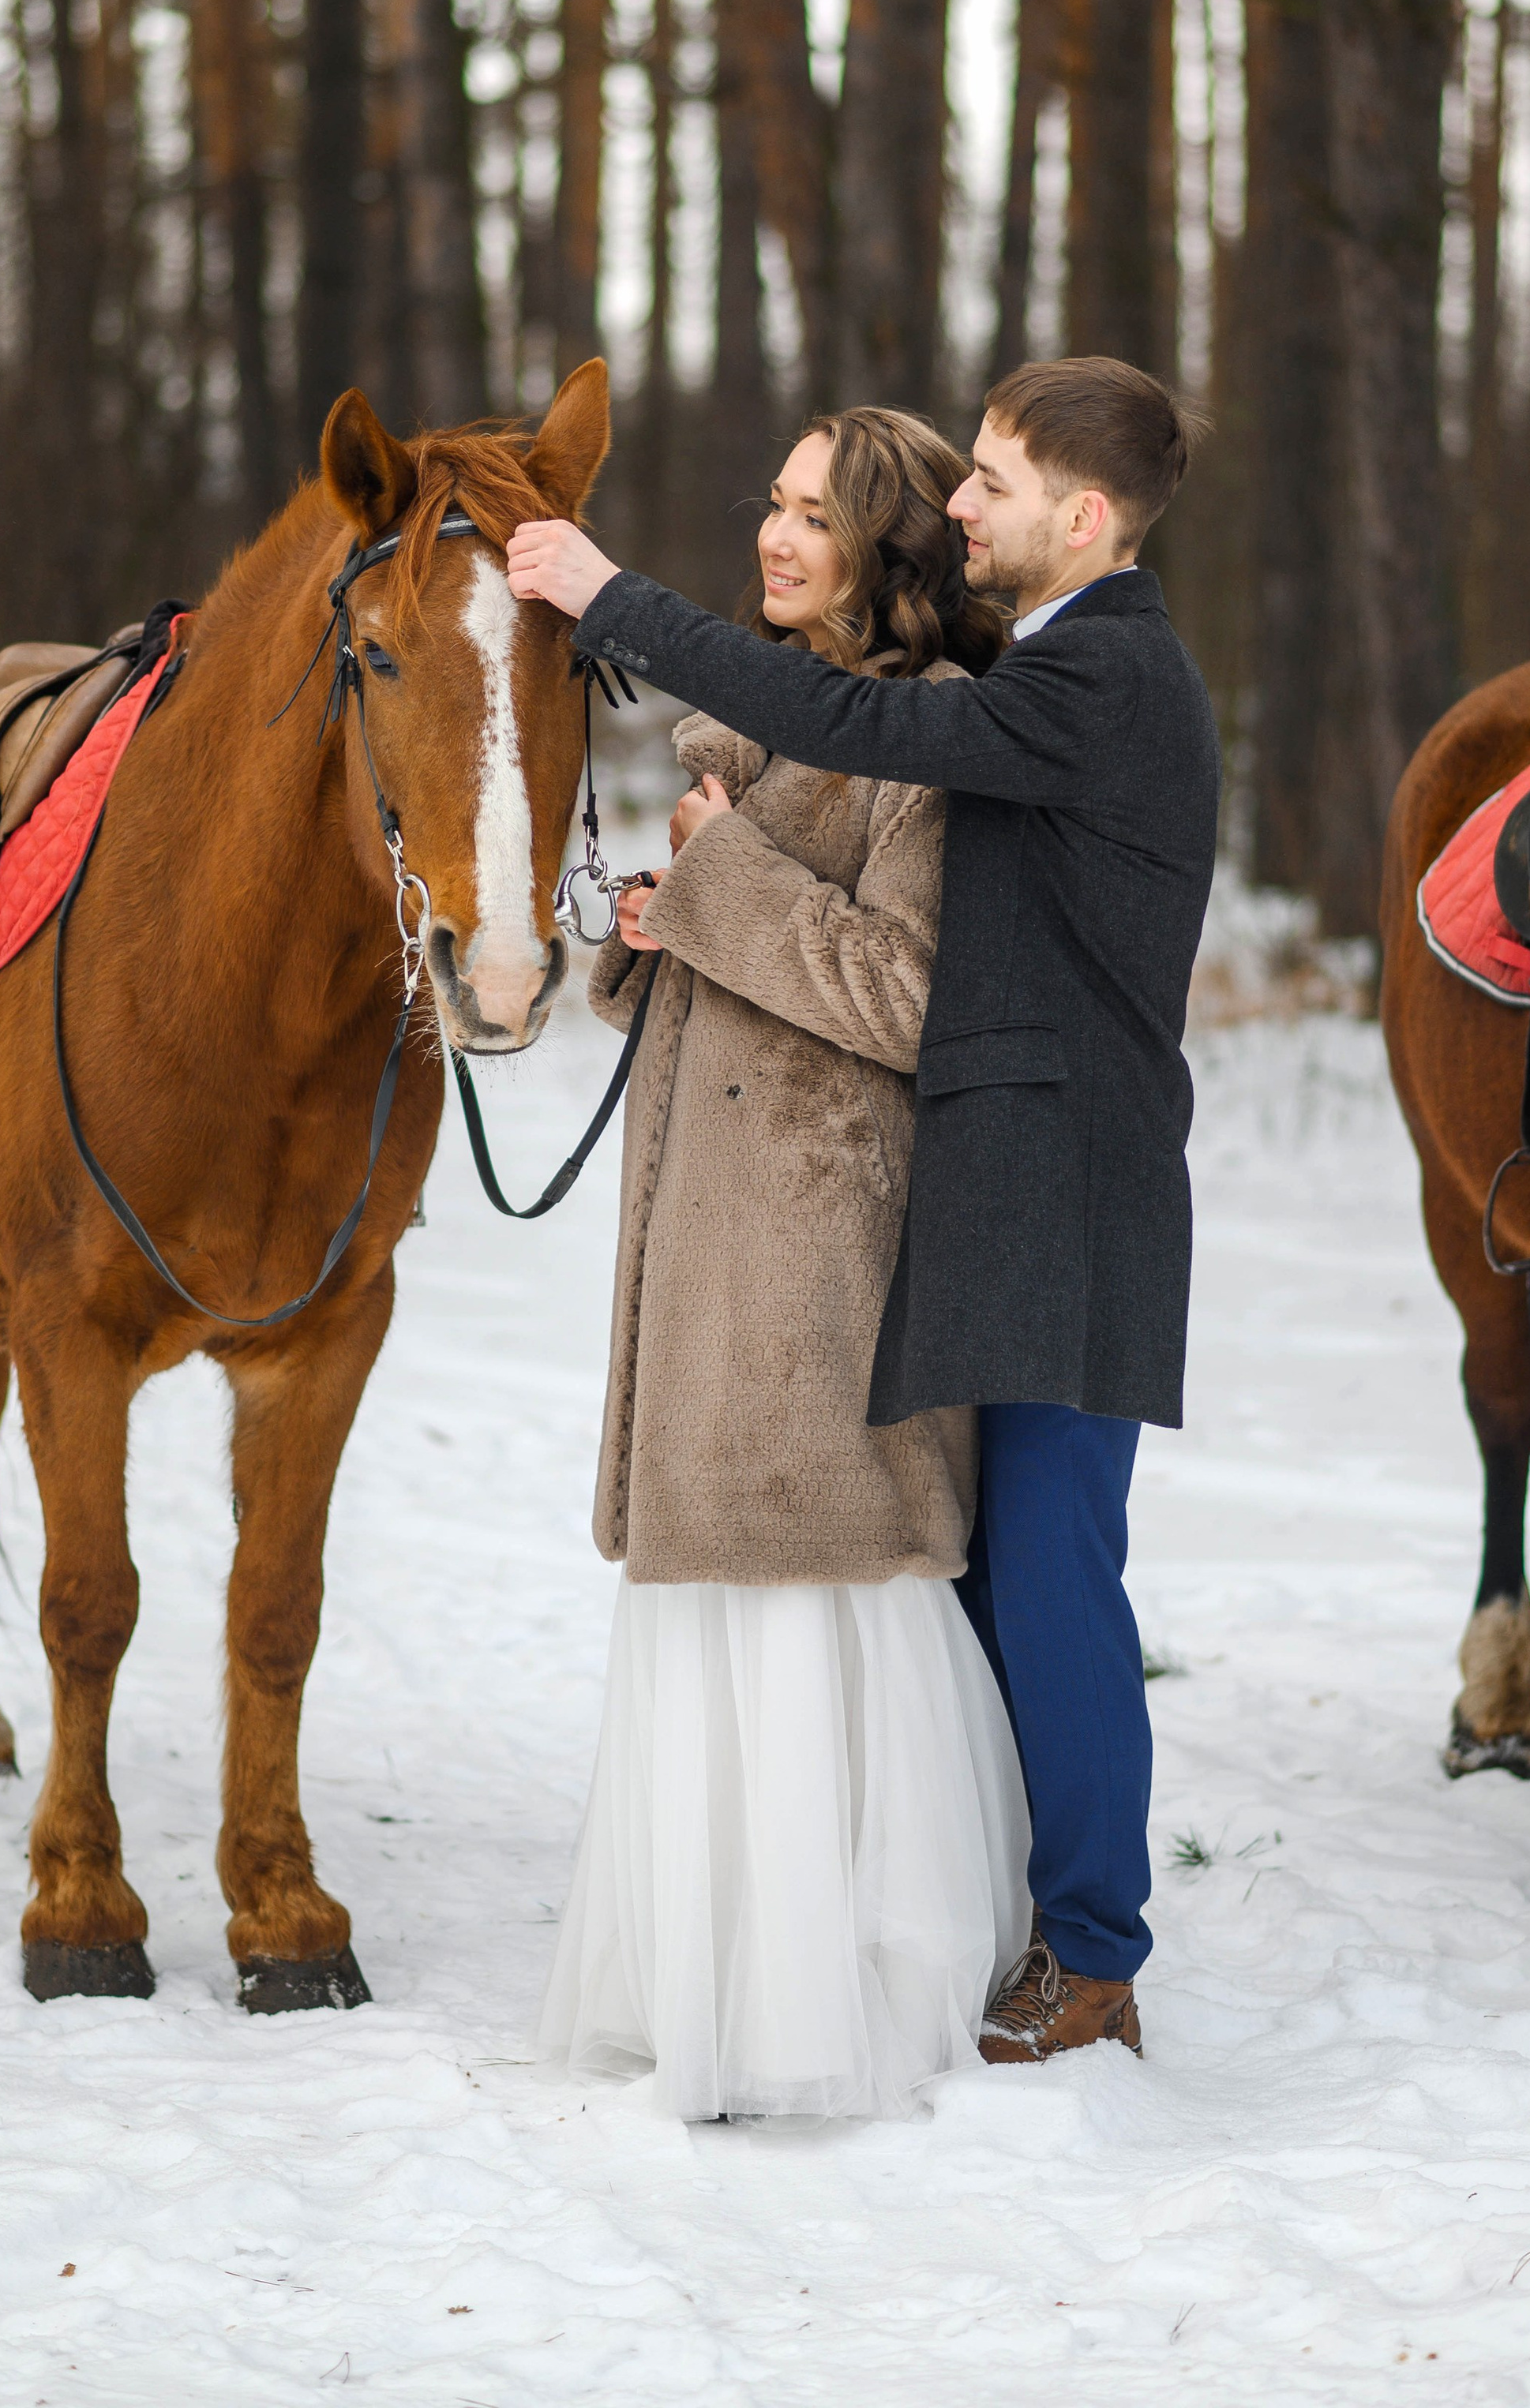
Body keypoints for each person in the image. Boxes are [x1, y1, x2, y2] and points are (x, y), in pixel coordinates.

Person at [513, 356, 1220, 2065]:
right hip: (994, 1181)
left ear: (1085, 515)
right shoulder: (1055, 668)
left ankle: (1094, 1954)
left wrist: (611, 602)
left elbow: (869, 747)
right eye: (960, 475)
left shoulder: (1101, 674)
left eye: (993, 478)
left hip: (1060, 1191)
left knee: (1048, 1577)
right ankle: (1010, 1921)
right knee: (986, 1587)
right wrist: (671, 905)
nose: (966, 502)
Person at [536, 406, 1033, 2124]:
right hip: (707, 1232)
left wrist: (721, 875)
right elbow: (714, 940)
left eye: (813, 514)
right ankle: (710, 1981)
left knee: (813, 1593)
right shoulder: (744, 724)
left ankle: (842, 1997)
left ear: (888, 551)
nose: (772, 533)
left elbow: (908, 998)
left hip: (823, 1245)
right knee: (709, 1605)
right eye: (768, 499)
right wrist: (641, 925)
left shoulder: (935, 740)